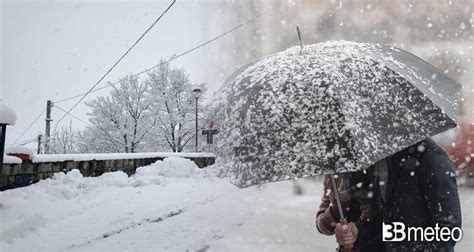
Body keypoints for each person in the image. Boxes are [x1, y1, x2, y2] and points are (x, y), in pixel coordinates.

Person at [315, 138, 462, 251]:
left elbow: (447, 229)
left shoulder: (431, 157)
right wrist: (357, 231)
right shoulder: (378, 159)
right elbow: (385, 223)